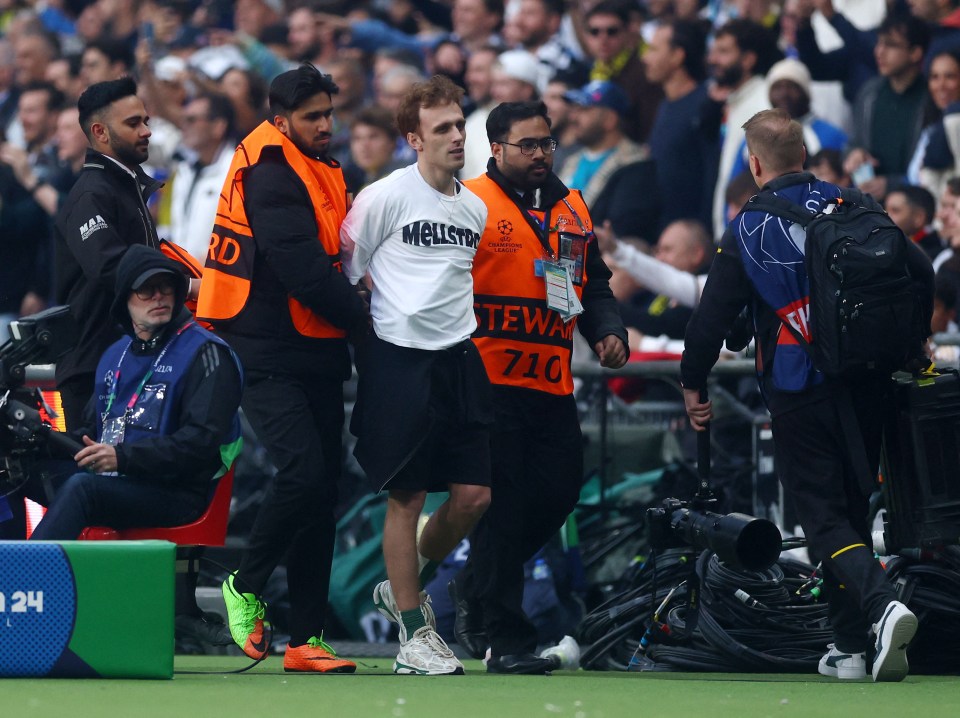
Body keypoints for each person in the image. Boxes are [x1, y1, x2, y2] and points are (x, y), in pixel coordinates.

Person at [680, 109, 933, 683]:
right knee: (847, 510)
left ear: (754, 163)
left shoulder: (749, 225)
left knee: (821, 517)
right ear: (805, 155)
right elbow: (920, 271)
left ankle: (880, 606)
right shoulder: (855, 202)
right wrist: (914, 340)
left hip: (801, 385)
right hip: (870, 381)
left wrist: (693, 382)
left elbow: (709, 320)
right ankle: (849, 646)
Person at [196, 63, 368, 673]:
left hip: (312, 345)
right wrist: (369, 320)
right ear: (280, 119)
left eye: (328, 113)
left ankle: (306, 638)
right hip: (264, 345)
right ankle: (244, 583)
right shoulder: (271, 171)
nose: (325, 125)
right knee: (305, 472)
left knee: (321, 490)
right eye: (312, 117)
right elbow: (300, 269)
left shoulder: (319, 165)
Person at [454, 100, 628, 674]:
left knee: (558, 495)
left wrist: (609, 331)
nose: (539, 154)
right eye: (527, 145)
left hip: (552, 383)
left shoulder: (571, 205)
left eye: (546, 144)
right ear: (496, 148)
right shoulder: (468, 202)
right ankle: (506, 640)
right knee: (502, 510)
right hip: (488, 380)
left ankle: (476, 589)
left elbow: (594, 283)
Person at [342, 75, 493, 676]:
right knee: (406, 498)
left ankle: (403, 584)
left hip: (460, 357)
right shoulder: (383, 197)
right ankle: (412, 633)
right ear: (413, 139)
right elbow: (348, 270)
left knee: (473, 498)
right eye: (443, 129)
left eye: (459, 125)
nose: (457, 136)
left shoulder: (475, 206)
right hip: (398, 359)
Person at [28, 245, 242, 540]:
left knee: (83, 488)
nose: (158, 296)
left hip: (177, 494)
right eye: (146, 289)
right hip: (120, 481)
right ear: (124, 300)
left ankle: (21, 581)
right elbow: (92, 435)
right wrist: (37, 442)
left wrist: (122, 458)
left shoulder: (207, 352)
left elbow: (200, 444)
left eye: (166, 288)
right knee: (14, 472)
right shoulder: (114, 355)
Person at [54, 77, 170, 431]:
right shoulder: (91, 194)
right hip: (93, 369)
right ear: (101, 132)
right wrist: (187, 285)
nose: (146, 130)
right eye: (133, 123)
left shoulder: (125, 186)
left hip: (127, 360)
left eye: (146, 121)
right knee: (95, 480)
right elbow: (111, 266)